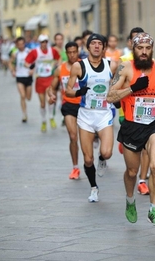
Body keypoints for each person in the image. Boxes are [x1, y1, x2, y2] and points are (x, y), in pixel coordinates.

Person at [106, 32, 155, 226]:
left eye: (147, 48)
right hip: (131, 125)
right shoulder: (125, 68)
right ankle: (130, 201)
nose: (144, 52)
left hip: (152, 124)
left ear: (151, 49)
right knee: (131, 172)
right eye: (140, 48)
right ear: (134, 49)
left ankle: (153, 210)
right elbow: (110, 97)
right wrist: (133, 88)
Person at [65, 33, 118, 202]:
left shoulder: (113, 65)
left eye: (99, 44)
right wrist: (79, 92)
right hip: (86, 115)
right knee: (88, 159)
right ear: (87, 47)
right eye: (93, 43)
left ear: (104, 47)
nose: (96, 46)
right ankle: (94, 188)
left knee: (107, 152)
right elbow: (67, 90)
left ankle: (102, 160)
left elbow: (119, 85)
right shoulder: (78, 66)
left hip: (104, 114)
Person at [119, 27, 150, 196]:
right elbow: (113, 87)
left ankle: (143, 180)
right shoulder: (123, 61)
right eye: (136, 40)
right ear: (130, 43)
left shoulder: (152, 61)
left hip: (147, 114)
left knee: (147, 147)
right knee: (133, 160)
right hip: (127, 114)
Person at [48, 42, 81, 179]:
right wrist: (51, 95)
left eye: (74, 52)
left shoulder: (84, 65)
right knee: (73, 136)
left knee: (89, 139)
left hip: (86, 106)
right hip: (68, 105)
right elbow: (52, 87)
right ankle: (75, 168)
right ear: (66, 53)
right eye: (69, 52)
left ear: (78, 52)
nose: (72, 55)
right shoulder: (60, 69)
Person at [25, 34, 61, 132]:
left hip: (50, 78)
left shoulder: (52, 51)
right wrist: (30, 68)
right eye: (42, 42)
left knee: (50, 99)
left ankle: (51, 117)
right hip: (40, 79)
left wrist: (56, 65)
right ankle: (44, 121)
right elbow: (26, 62)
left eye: (46, 41)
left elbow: (59, 58)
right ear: (39, 43)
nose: (44, 44)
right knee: (42, 103)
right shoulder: (35, 52)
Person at [8, 37, 33, 122]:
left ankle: (25, 105)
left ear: (24, 43)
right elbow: (10, 62)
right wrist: (12, 71)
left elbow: (35, 61)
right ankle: (24, 114)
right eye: (19, 44)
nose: (21, 46)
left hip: (28, 76)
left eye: (22, 44)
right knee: (22, 96)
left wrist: (32, 70)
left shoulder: (29, 52)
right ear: (17, 45)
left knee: (28, 98)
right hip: (19, 76)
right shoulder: (15, 54)